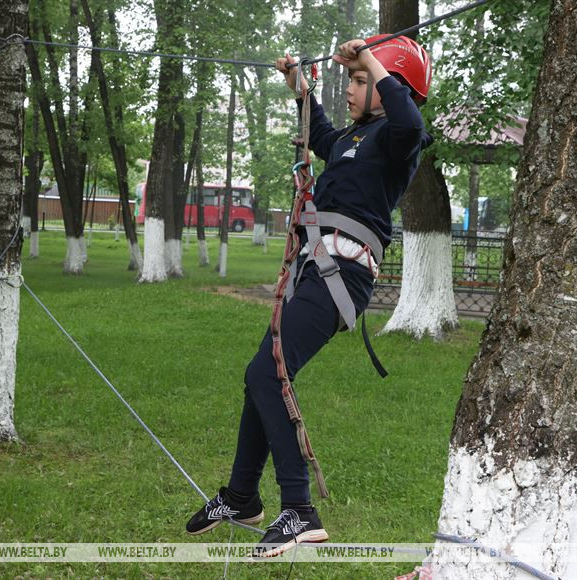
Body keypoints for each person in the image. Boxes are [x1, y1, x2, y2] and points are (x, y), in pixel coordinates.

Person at [186, 35, 433, 556]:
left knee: (266, 374)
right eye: (353, 79)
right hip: (315, 269)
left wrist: (371, 59)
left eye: (362, 81)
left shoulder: (397, 139)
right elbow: (320, 134)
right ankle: (242, 494)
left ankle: (298, 508)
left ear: (392, 88)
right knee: (261, 375)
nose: (352, 88)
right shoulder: (353, 138)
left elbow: (411, 122)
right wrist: (299, 84)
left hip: (342, 275)